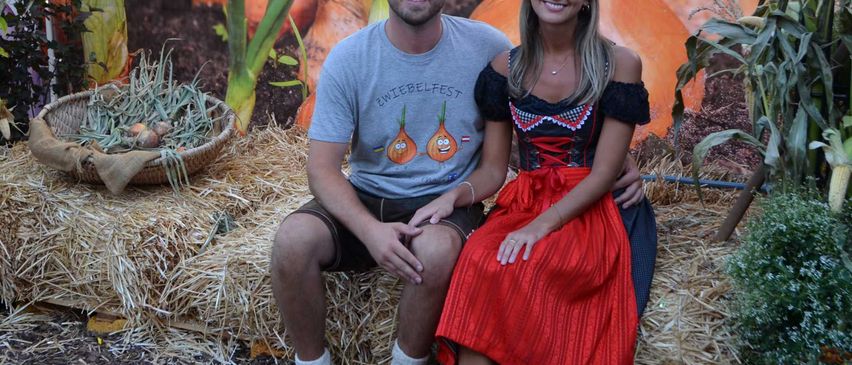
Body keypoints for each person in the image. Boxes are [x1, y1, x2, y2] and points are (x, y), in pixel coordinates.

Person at [269, 0, 651, 364]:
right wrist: (370, 231)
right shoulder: (350, 57)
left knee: (437, 252)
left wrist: (617, 159)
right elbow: (321, 170)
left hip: (443, 202)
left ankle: (408, 361)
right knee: (292, 240)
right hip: (368, 197)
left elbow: (556, 123)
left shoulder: (486, 47)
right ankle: (312, 361)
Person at [432, 0, 652, 363]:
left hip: (587, 206)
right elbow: (493, 170)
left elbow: (603, 173)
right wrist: (453, 196)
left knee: (536, 263)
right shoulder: (505, 69)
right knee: (479, 259)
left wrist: (540, 227)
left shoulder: (619, 64)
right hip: (526, 200)